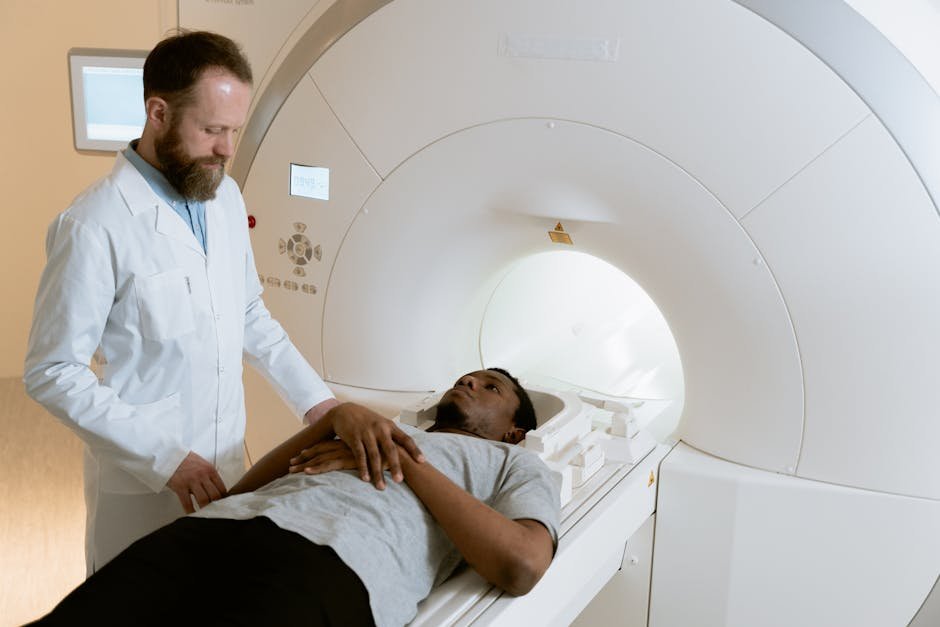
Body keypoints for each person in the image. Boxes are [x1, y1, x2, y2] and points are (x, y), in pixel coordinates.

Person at [22, 31, 348, 573]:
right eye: (212, 130)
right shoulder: (93, 224)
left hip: (227, 461)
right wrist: (168, 459)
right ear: (159, 113)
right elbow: (52, 371)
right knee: (135, 600)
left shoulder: (224, 197)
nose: (227, 149)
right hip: (143, 481)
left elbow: (248, 314)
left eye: (234, 130)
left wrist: (321, 407)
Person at [30, 368, 560, 627]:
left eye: (490, 387)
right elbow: (237, 495)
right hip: (218, 530)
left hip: (328, 563)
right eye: (468, 377)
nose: (469, 382)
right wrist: (337, 419)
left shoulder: (515, 463)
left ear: (514, 430)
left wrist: (402, 460)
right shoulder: (370, 430)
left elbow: (522, 564)